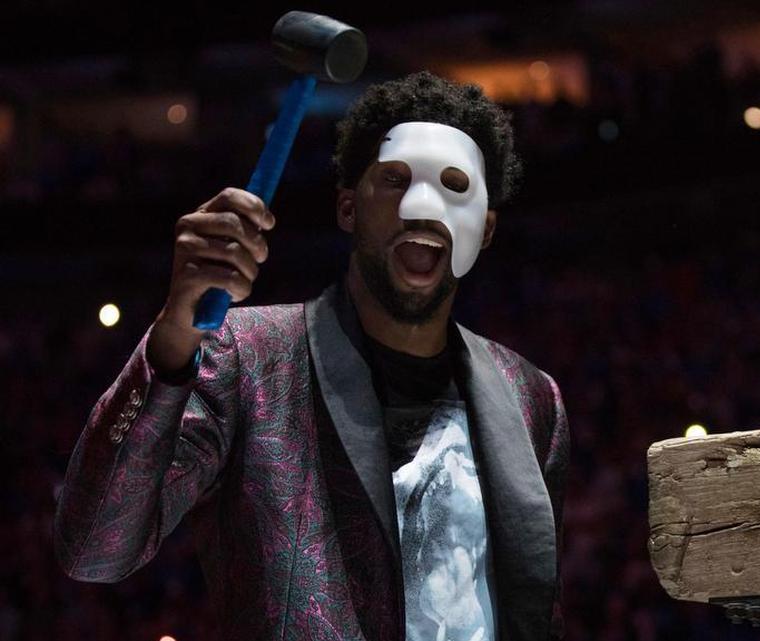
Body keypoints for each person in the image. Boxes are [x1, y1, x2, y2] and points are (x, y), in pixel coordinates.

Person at [54, 72, 568, 641]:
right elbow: (95, 550)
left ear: (486, 229)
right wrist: (172, 340)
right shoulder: (248, 359)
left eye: (454, 184)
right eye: (394, 179)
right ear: (348, 208)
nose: (422, 207)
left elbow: (533, 606)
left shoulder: (530, 394)